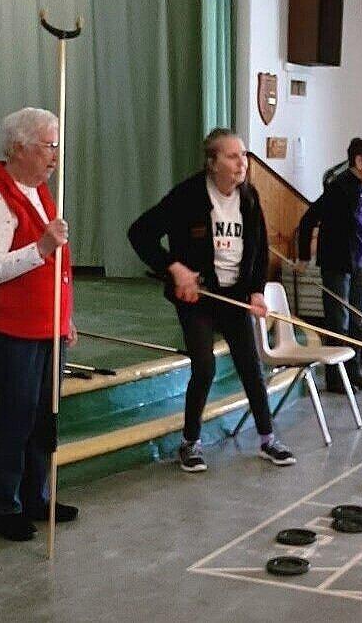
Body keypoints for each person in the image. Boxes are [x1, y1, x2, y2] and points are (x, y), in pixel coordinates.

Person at [128, 128, 295, 473]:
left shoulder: (249, 196)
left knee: (250, 366)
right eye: (233, 156)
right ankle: (190, 442)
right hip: (199, 297)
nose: (242, 163)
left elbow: (259, 248)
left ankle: (268, 439)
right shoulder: (188, 195)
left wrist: (256, 290)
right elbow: (140, 233)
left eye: (244, 155)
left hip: (235, 296)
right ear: (212, 162)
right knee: (204, 367)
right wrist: (174, 269)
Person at [0, 107, 79, 542]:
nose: (55, 155)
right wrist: (40, 248)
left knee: (44, 416)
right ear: (19, 148)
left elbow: (59, 269)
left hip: (46, 325)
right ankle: (4, 505)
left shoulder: (39, 190)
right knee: (13, 417)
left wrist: (65, 316)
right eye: (48, 146)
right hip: (8, 329)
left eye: (56, 146)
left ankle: (37, 495)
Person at [297, 138, 362, 392]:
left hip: (359, 266)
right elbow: (307, 220)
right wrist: (304, 256)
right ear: (359, 161)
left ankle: (353, 373)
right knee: (339, 323)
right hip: (337, 266)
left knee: (356, 321)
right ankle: (336, 378)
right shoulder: (338, 188)